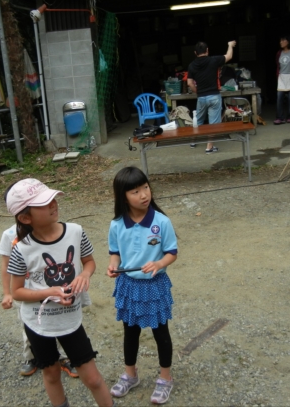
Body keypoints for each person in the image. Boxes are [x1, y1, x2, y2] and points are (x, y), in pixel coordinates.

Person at [5, 179, 112, 407]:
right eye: (44, 204)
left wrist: (85, 275)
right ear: (25, 218)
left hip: (70, 320)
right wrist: (51, 291)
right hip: (38, 322)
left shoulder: (75, 231)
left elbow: (89, 262)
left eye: (52, 199)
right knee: (51, 373)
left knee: (92, 378)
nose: (53, 204)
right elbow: (16, 292)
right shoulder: (21, 249)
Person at [107, 167, 178, 405]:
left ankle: (165, 378)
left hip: (154, 284)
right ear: (122, 196)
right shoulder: (117, 224)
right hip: (129, 285)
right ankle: (130, 374)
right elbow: (115, 253)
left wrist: (159, 263)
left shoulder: (161, 221)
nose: (144, 195)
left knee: (161, 333)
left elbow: (172, 253)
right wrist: (113, 265)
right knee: (130, 333)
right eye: (135, 191)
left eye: (145, 187)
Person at [0, 222, 79, 378]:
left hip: (52, 289)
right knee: (29, 327)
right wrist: (7, 293)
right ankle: (31, 358)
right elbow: (5, 265)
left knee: (60, 321)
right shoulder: (8, 234)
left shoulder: (48, 230)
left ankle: (63, 357)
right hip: (25, 293)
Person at [187, 40, 236, 153]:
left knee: (198, 119)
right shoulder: (214, 60)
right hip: (214, 96)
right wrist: (229, 45)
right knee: (213, 123)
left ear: (195, 53)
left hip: (201, 97)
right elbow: (229, 56)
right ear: (207, 51)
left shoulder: (191, 65)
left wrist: (197, 92)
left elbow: (189, 83)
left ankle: (193, 141)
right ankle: (209, 147)